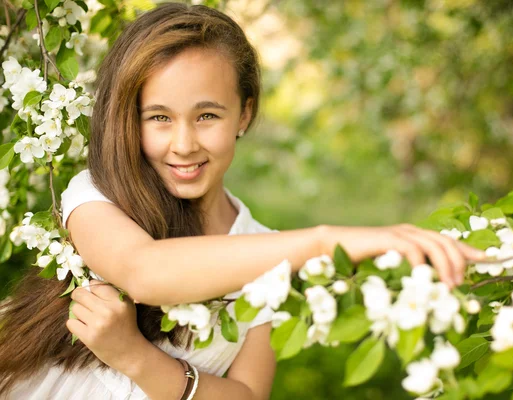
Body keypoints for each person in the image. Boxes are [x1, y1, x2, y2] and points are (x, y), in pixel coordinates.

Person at [0, 3, 484, 399]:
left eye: (207, 115)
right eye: (159, 118)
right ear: (130, 119)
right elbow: (144, 272)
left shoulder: (267, 254)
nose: (184, 143)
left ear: (244, 114)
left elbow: (247, 396)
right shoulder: (98, 194)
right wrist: (326, 240)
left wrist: (137, 359)